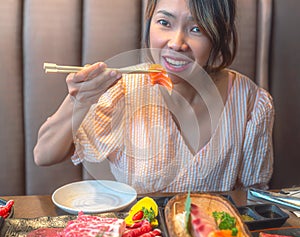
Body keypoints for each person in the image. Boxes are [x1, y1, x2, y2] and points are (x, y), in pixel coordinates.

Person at [34, 0, 274, 194]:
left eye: (196, 29)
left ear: (218, 36)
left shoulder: (249, 102)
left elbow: (253, 196)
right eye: (164, 22)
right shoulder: (123, 91)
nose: (177, 43)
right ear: (150, 23)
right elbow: (44, 155)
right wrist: (79, 100)